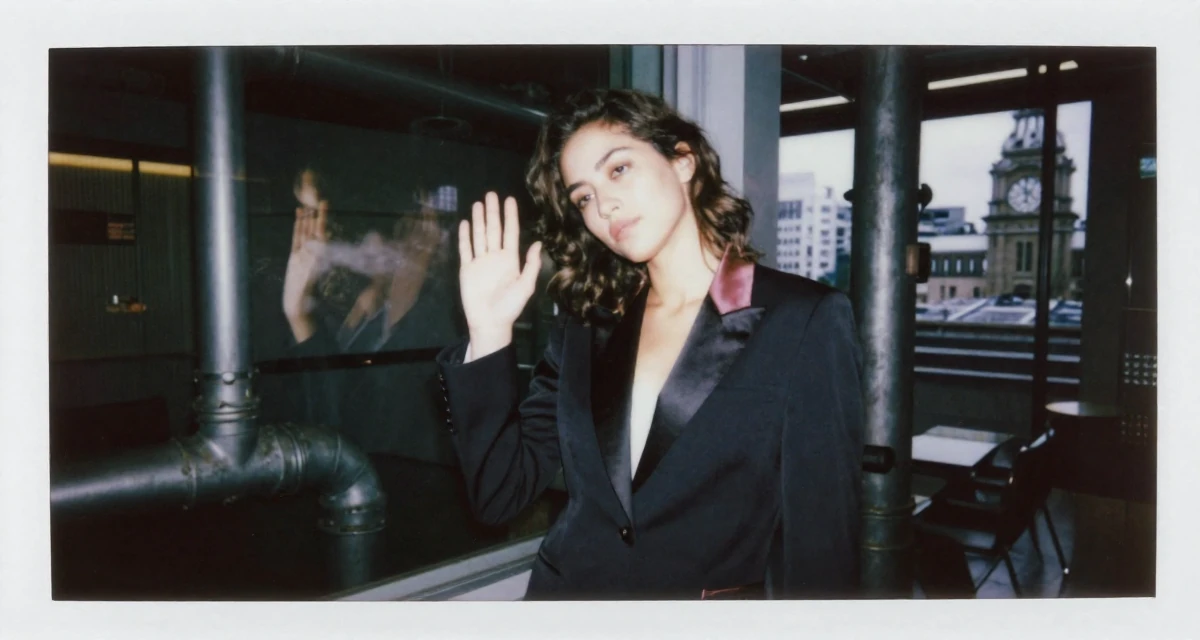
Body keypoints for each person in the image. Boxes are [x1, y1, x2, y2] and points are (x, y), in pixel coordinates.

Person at [435, 88, 865, 600]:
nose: (604, 205)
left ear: (682, 161)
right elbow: (500, 496)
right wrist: (488, 333)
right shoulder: (587, 325)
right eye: (584, 197)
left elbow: (821, 553)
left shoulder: (805, 319)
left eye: (617, 170)